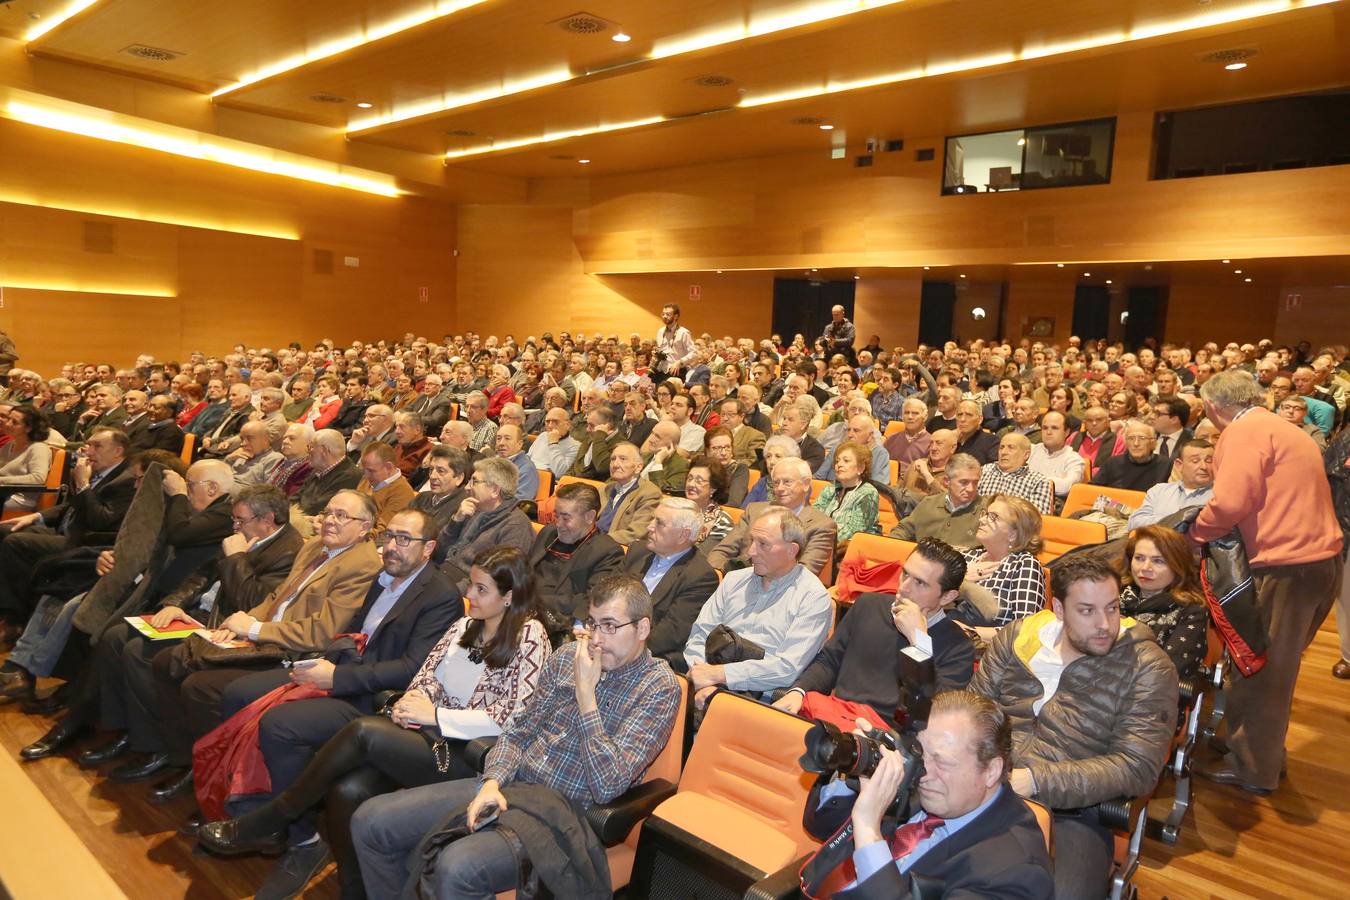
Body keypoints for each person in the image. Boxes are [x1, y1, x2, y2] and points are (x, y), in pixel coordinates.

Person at [196, 546, 549, 899]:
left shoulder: (530, 636)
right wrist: (414, 701)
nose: (469, 594)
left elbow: (515, 717)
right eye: (471, 584)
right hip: (424, 735)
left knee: (362, 731)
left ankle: (276, 815)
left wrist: (436, 715)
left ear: (509, 596)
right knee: (346, 792)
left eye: (481, 589)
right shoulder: (465, 625)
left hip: (467, 755)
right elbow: (427, 676)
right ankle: (355, 892)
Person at [351, 574, 682, 899]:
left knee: (457, 866)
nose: (596, 639)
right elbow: (519, 731)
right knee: (371, 822)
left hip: (564, 815)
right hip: (512, 786)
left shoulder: (658, 687)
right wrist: (493, 780)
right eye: (592, 624)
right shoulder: (567, 657)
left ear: (642, 628)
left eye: (610, 626)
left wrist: (586, 698)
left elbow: (607, 784)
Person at [191, 508, 463, 896]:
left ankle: (301, 840)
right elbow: (352, 631)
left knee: (280, 725)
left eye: (405, 539)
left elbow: (410, 669)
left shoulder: (440, 595)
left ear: (429, 548)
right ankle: (243, 809)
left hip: (374, 699)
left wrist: (336, 677)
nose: (392, 546)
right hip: (344, 672)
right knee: (240, 692)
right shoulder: (383, 577)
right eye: (389, 536)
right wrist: (328, 661)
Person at [135, 490, 382, 802]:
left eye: (342, 516)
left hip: (292, 653)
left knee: (201, 687)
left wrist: (254, 629)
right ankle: (184, 759)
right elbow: (278, 598)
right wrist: (242, 622)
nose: (330, 520)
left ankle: (215, 777)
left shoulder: (362, 565)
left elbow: (322, 633)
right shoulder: (315, 547)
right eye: (329, 512)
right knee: (166, 662)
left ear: (364, 527)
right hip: (264, 637)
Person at [968, 555, 1178, 899]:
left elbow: (1137, 767)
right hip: (986, 785)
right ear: (1059, 609)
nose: (1104, 624)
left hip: (1074, 813)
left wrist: (1035, 780)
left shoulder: (1147, 667)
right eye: (1087, 611)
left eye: (1112, 608)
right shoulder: (1017, 639)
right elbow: (974, 713)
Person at [1189, 371, 1342, 796]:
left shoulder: (1243, 432)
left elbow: (1230, 502)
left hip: (1287, 566)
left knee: (1262, 669)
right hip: (1319, 563)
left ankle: (1253, 768)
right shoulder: (1284, 427)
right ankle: (1256, 749)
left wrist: (1194, 535)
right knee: (1275, 667)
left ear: (1213, 407)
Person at [808, 691, 1054, 899]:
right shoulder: (932, 783)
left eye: (942, 762)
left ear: (991, 771)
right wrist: (855, 770)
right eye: (920, 753)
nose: (923, 772)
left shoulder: (1016, 874)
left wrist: (869, 829)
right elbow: (818, 825)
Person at [775, 538, 975, 728]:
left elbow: (933, 714)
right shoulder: (868, 605)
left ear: (947, 597)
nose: (904, 588)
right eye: (905, 574)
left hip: (889, 739)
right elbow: (829, 661)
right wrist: (799, 691)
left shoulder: (958, 647)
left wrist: (919, 641)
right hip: (836, 720)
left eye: (920, 583)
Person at [685, 507, 833, 706]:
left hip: (759, 698)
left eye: (763, 544)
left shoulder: (813, 598)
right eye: (752, 541)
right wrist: (701, 675)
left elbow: (786, 668)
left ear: (792, 550)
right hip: (703, 682)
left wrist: (720, 675)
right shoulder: (733, 580)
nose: (751, 551)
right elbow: (700, 633)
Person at [0, 427, 137, 637]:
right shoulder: (99, 470)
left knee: (17, 543)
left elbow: (100, 520)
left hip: (86, 542)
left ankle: (15, 620)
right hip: (66, 530)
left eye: (97, 446)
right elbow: (70, 505)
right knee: (6, 530)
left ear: (118, 451)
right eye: (88, 444)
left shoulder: (127, 480)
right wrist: (36, 516)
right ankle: (9, 609)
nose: (88, 451)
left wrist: (83, 484)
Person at [622, 497, 720, 671]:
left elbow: (670, 635)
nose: (649, 527)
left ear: (683, 535)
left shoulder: (700, 576)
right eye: (652, 519)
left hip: (643, 658)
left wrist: (621, 647)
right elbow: (605, 594)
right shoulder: (638, 551)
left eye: (659, 523)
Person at [706, 458, 837, 575]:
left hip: (781, 590)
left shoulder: (821, 525)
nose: (780, 488)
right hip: (738, 579)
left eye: (787, 482)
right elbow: (721, 552)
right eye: (776, 482)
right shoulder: (754, 510)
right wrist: (724, 575)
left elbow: (803, 573)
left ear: (806, 484)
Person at [527, 481, 625, 638]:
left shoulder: (607, 552)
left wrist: (533, 600)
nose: (558, 524)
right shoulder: (548, 533)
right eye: (556, 515)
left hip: (555, 623)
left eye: (566, 518)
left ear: (589, 517)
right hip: (521, 609)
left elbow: (591, 600)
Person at [951, 495, 1046, 645]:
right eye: (985, 514)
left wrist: (969, 632)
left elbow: (1024, 630)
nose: (982, 520)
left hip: (985, 650)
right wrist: (962, 579)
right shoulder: (967, 556)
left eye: (993, 517)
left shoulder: (1024, 565)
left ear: (1013, 534)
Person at [1118, 525, 1209, 678]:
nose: (1145, 568)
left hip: (1147, 687)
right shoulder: (1111, 594)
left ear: (1177, 566)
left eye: (1158, 561)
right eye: (1139, 558)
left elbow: (1169, 671)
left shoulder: (1191, 611)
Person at [433, 457, 534, 590]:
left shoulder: (516, 526)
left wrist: (453, 592)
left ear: (495, 490)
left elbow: (497, 579)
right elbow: (437, 553)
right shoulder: (473, 508)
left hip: (464, 588)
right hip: (442, 573)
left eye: (474, 481)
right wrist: (456, 521)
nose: (467, 487)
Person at [890, 454, 984, 548]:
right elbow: (904, 529)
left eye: (975, 482)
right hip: (923, 555)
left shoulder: (985, 508)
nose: (971, 489)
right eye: (964, 482)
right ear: (947, 481)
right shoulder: (929, 503)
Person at [1127, 439, 1214, 529]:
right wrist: (1179, 521)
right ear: (1179, 465)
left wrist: (1159, 522)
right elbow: (1135, 522)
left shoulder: (1218, 497)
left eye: (1209, 461)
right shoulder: (1159, 491)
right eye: (1195, 461)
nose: (1204, 466)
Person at [813, 440, 881, 553]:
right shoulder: (830, 488)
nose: (839, 464)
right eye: (837, 461)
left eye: (846, 461)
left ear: (861, 468)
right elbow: (814, 516)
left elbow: (854, 531)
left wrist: (818, 541)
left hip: (852, 550)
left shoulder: (868, 493)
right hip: (822, 545)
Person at [597, 442, 662, 545]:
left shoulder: (649, 493)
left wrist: (599, 541)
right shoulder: (605, 489)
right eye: (613, 459)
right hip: (588, 542)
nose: (615, 465)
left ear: (638, 467)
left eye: (623, 459)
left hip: (612, 547)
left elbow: (636, 533)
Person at [977, 433, 1054, 515]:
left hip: (1013, 523)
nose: (1003, 452)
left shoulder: (1038, 482)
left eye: (1011, 448)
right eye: (1001, 447)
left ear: (1026, 455)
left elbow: (1037, 517)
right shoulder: (983, 471)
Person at [354, 443, 416, 544]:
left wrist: (350, 532)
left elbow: (384, 533)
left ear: (389, 467)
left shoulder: (401, 492)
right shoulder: (368, 479)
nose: (366, 474)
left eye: (371, 471)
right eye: (364, 469)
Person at [0, 406, 55, 514]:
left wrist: (2, 480)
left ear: (28, 428)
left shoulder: (38, 448)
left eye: (15, 422)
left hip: (20, 499)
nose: (8, 424)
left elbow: (38, 478)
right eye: (9, 419)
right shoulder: (9, 445)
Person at [1026, 411, 1086, 506]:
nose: (1048, 432)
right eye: (1045, 428)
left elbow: (1066, 486)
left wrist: (1028, 479)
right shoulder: (1030, 450)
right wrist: (1054, 480)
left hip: (1048, 506)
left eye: (1054, 428)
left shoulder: (1075, 460)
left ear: (1066, 432)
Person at [1092, 421, 1171, 491]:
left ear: (1152, 442)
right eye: (1131, 438)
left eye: (1142, 438)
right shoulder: (1113, 463)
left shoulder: (1166, 465)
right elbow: (1093, 489)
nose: (1136, 443)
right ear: (1126, 442)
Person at [684, 454, 734, 552]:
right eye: (689, 478)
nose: (691, 484)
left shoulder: (722, 522)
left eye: (699, 481)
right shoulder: (675, 510)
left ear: (713, 488)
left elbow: (703, 556)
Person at [883, 397, 932, 476]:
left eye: (915, 413)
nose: (910, 417)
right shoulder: (891, 439)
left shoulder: (931, 443)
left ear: (925, 417)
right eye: (906, 413)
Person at [527, 405, 580, 478]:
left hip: (548, 480)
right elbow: (528, 458)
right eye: (547, 421)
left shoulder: (575, 446)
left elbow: (559, 473)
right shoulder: (543, 435)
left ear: (568, 425)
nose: (550, 426)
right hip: (529, 475)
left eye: (555, 422)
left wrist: (553, 444)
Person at [903, 428, 957, 499]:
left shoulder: (958, 472)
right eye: (931, 443)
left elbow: (949, 500)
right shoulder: (917, 464)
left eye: (939, 443)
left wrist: (927, 475)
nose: (933, 448)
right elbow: (898, 489)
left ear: (953, 448)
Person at [655, 303, 697, 380]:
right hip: (660, 369)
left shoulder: (683, 332)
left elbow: (694, 353)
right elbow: (660, 349)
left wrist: (679, 362)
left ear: (676, 316)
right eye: (663, 314)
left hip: (676, 371)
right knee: (644, 383)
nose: (664, 316)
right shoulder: (660, 331)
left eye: (668, 314)